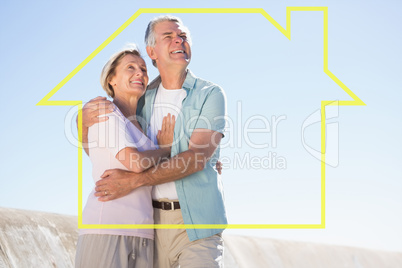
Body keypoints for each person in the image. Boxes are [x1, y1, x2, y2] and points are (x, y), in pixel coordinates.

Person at [82, 15, 227, 267]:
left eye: (183, 36)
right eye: (168, 36)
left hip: (197, 222)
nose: (178, 41)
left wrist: (134, 181)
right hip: (151, 225)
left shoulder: (210, 94)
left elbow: (196, 158)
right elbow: (107, 146)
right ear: (152, 51)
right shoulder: (140, 98)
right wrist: (82, 122)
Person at [76, 46, 176, 268]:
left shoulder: (145, 127)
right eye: (130, 68)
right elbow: (137, 163)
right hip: (108, 227)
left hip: (143, 232)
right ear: (112, 79)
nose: (139, 72)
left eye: (142, 68)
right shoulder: (104, 112)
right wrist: (166, 149)